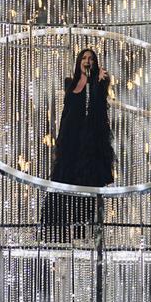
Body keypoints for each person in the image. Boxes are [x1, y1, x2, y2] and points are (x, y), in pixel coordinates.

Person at [41, 48, 114, 241]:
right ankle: (57, 234)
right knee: (61, 185)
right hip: (69, 140)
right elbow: (66, 112)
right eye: (84, 58)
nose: (87, 61)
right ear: (78, 61)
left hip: (87, 143)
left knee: (84, 187)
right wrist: (60, 140)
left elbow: (98, 109)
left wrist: (98, 82)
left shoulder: (99, 81)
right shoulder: (69, 83)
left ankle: (83, 235)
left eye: (91, 58)